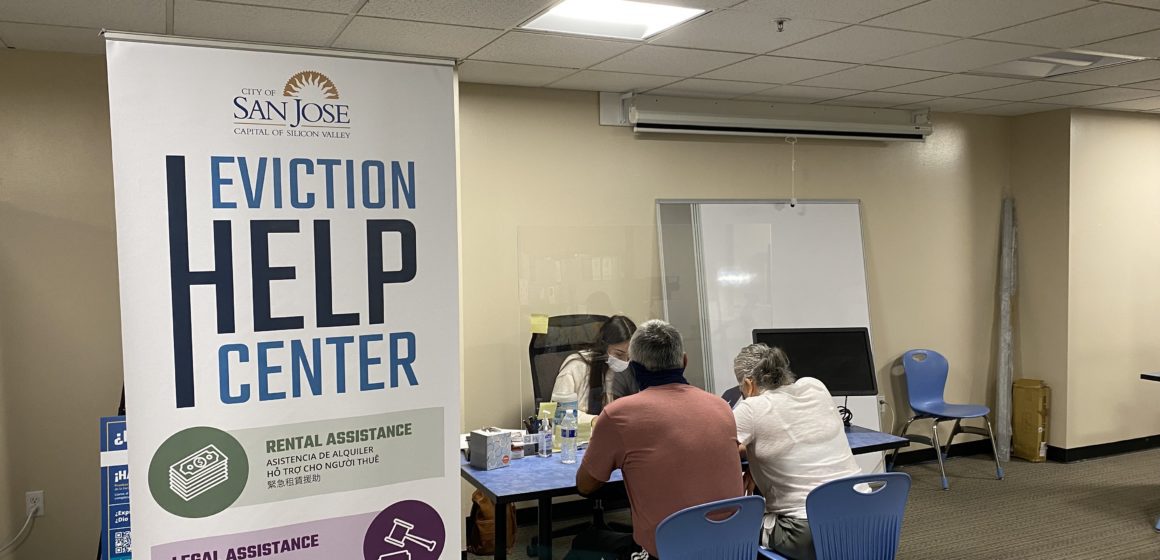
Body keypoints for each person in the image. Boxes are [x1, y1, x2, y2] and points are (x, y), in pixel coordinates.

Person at [572, 320, 743, 560]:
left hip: (665, 552)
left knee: (585, 541)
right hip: (732, 549)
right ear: (684, 361)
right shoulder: (720, 406)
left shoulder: (619, 415)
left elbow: (586, 485)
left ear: (632, 368)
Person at [732, 343, 861, 560]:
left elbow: (719, 449)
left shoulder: (751, 408)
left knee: (735, 527)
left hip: (810, 533)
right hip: (868, 516)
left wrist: (751, 457)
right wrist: (757, 460)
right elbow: (796, 436)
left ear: (748, 384)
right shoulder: (815, 386)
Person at [551, 315, 639, 424]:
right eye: (619, 354)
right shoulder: (577, 366)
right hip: (580, 437)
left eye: (629, 356)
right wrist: (593, 420)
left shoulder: (630, 370)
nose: (625, 361)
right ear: (604, 345)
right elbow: (558, 413)